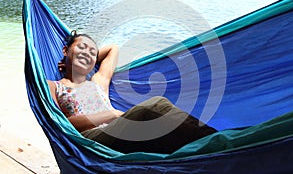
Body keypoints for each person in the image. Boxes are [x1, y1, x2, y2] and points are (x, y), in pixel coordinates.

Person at [47, 31, 217, 154]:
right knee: (153, 107)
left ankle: (212, 148)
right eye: (82, 47)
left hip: (119, 132)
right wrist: (111, 114)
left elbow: (113, 49)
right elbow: (59, 123)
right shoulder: (54, 86)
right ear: (65, 50)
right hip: (87, 140)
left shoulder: (98, 82)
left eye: (92, 52)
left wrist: (86, 58)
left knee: (162, 125)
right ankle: (219, 142)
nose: (87, 53)